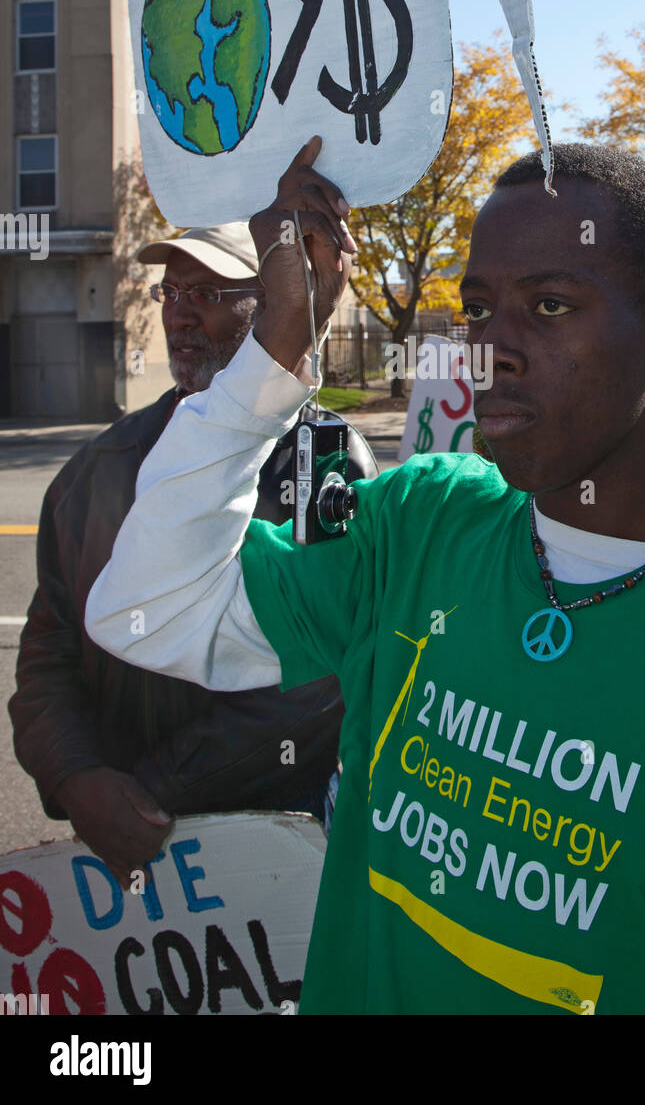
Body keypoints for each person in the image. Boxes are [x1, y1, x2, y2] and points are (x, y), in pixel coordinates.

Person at [86, 139, 645, 1015]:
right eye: (476, 308)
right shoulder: (420, 523)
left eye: (548, 305)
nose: (489, 349)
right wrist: (274, 351)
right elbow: (144, 611)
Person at [9, 220, 377, 889]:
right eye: (170, 292)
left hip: (273, 839)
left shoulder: (323, 462)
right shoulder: (96, 468)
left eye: (207, 292)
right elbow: (48, 652)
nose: (179, 314)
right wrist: (78, 777)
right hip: (122, 846)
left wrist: (149, 795)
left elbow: (321, 681)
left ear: (270, 303)